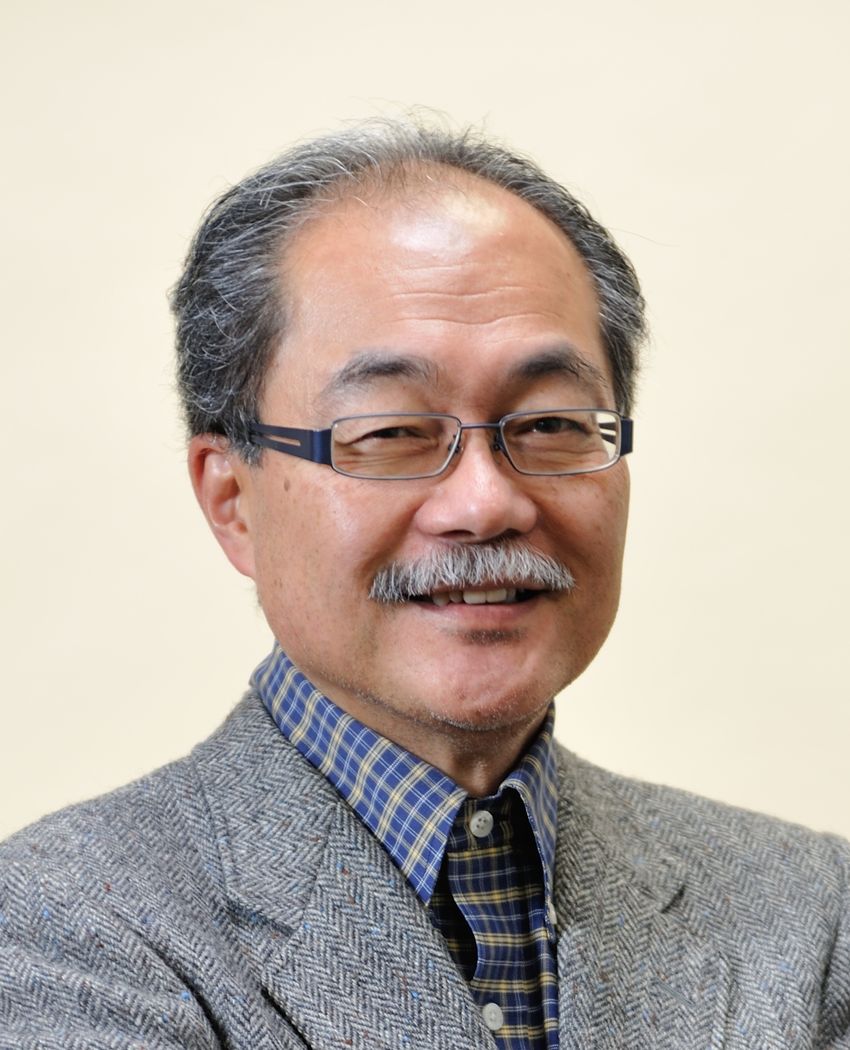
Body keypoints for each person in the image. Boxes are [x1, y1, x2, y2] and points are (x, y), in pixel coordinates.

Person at [0, 119, 847, 1049]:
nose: (486, 503)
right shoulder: (58, 929)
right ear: (232, 499)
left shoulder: (812, 913)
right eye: (393, 433)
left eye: (550, 424)